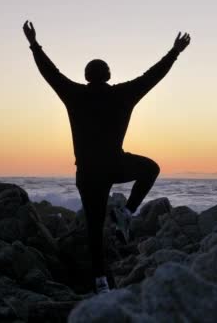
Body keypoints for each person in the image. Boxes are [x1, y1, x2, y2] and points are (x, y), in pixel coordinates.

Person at [22, 20, 190, 294]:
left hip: (88, 173)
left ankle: (100, 283)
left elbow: (49, 72)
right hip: (115, 165)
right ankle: (126, 212)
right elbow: (153, 76)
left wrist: (33, 44)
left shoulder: (74, 94)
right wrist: (175, 52)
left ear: (87, 76)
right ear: (108, 74)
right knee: (151, 169)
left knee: (94, 228)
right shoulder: (123, 94)